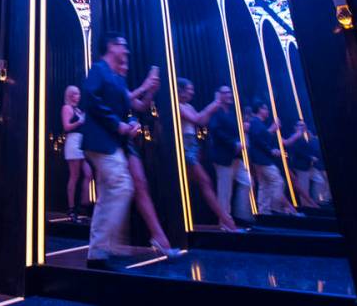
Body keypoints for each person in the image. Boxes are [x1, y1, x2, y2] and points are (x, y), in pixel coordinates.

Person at [81, 33, 141, 269]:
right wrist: (118, 124)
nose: (126, 51)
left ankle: (97, 254)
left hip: (110, 142)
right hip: (100, 141)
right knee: (122, 186)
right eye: (123, 46)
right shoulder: (99, 70)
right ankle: (106, 247)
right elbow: (90, 98)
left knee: (107, 194)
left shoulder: (118, 77)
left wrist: (133, 121)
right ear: (111, 46)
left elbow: (127, 108)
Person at [115, 59, 179, 258]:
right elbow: (119, 102)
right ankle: (110, 241)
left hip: (125, 140)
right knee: (117, 191)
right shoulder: (109, 82)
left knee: (140, 185)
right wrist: (144, 85)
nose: (125, 65)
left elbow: (140, 105)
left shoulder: (121, 85)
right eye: (121, 62)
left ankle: (159, 238)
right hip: (110, 140)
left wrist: (151, 91)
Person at [177, 79, 239, 231]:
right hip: (184, 146)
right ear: (181, 90)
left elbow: (201, 122)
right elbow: (197, 119)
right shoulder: (176, 105)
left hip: (192, 146)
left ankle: (223, 222)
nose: (192, 92)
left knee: (193, 185)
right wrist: (215, 103)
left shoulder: (189, 106)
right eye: (189, 89)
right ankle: (227, 222)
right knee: (205, 182)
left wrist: (214, 106)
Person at [208, 86, 252, 223]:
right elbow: (216, 132)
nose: (229, 95)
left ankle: (241, 215)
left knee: (247, 182)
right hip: (223, 157)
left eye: (230, 92)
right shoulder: (216, 112)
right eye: (226, 92)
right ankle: (225, 223)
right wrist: (234, 144)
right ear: (219, 95)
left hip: (235, 157)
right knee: (225, 192)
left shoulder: (233, 114)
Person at [247, 99, 291, 215]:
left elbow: (262, 139)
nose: (268, 111)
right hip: (262, 159)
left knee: (264, 186)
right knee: (278, 181)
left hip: (260, 159)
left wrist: (272, 149)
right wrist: (271, 149)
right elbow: (258, 139)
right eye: (265, 108)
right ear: (260, 109)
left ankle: (264, 213)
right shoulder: (255, 122)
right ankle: (277, 208)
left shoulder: (258, 123)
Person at [61, 85, 91, 222]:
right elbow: (66, 126)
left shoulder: (78, 109)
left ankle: (84, 204)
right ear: (69, 95)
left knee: (88, 173)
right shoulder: (66, 108)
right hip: (73, 142)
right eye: (74, 94)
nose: (77, 96)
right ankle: (71, 208)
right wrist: (79, 122)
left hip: (81, 143)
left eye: (78, 94)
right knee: (74, 176)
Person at [285, 120, 319, 209]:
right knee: (304, 187)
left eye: (304, 125)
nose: (303, 127)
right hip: (300, 166)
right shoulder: (295, 137)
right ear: (295, 127)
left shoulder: (305, 137)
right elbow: (298, 152)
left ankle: (314, 202)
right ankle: (306, 207)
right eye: (300, 125)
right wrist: (310, 158)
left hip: (307, 166)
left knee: (318, 181)